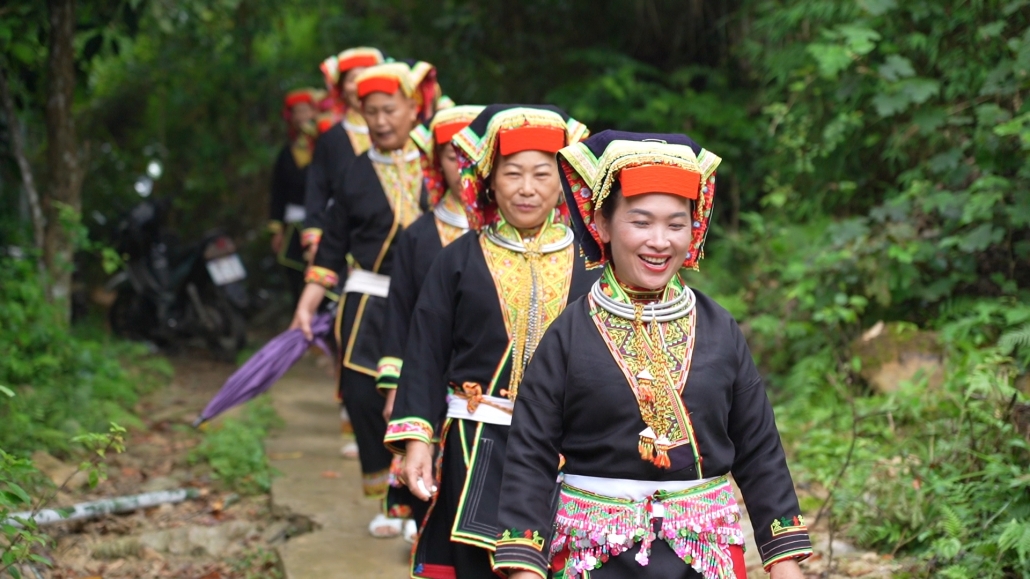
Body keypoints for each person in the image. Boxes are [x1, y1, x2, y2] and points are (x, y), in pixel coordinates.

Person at [492, 131, 813, 579]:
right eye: (641, 222)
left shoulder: (720, 329)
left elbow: (759, 448)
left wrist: (783, 559)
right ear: (601, 226)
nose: (660, 241)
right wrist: (525, 563)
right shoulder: (568, 333)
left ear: (694, 229)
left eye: (676, 224)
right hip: (594, 554)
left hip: (706, 555)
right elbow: (530, 452)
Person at [385, 105, 595, 578]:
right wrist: (417, 439)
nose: (527, 188)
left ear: (563, 180)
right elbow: (425, 352)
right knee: (480, 563)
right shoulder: (457, 260)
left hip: (570, 445)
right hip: (476, 439)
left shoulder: (593, 264)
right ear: (487, 180)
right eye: (512, 173)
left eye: (542, 173)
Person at [290, 60, 444, 539]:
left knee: (416, 398)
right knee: (361, 395)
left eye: (389, 110)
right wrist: (308, 303)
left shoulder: (436, 166)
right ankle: (386, 496)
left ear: (412, 108)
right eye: (370, 111)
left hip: (424, 302)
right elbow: (333, 244)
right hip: (366, 300)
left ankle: (416, 497)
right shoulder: (355, 171)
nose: (379, 121)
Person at [374, 105, 485, 544]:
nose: (463, 168)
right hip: (428, 370)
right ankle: (429, 535)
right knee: (425, 453)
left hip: (484, 379)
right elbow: (400, 312)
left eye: (471, 157)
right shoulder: (418, 236)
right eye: (450, 156)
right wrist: (393, 388)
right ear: (434, 162)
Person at [301, 47, 386, 260]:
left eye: (368, 76)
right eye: (353, 79)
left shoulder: (404, 134)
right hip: (346, 238)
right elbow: (317, 190)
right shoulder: (331, 139)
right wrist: (314, 237)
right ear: (341, 88)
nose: (360, 86)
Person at [269, 88, 323, 305]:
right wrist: (277, 229)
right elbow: (278, 191)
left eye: (306, 111)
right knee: (295, 276)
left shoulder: (325, 147)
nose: (302, 118)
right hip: (294, 222)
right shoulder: (285, 153)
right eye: (297, 112)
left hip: (322, 221)